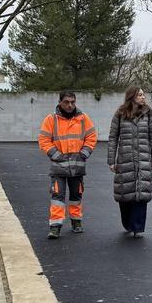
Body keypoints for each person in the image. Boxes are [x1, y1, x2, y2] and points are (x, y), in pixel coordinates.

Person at [38, 90, 97, 240]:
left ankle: (76, 222)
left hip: (77, 165)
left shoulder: (83, 118)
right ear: (60, 102)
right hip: (59, 167)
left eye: (72, 102)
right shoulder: (51, 119)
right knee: (57, 196)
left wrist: (84, 153)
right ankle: (55, 227)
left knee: (76, 195)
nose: (70, 105)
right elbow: (44, 140)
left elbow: (91, 136)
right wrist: (57, 156)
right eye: (66, 102)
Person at [108, 86, 152, 238]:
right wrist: (111, 160)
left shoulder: (148, 113)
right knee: (124, 193)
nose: (143, 97)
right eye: (140, 95)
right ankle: (128, 223)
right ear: (132, 97)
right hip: (125, 159)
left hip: (143, 159)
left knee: (141, 193)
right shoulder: (120, 113)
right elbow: (113, 137)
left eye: (143, 95)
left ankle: (138, 227)